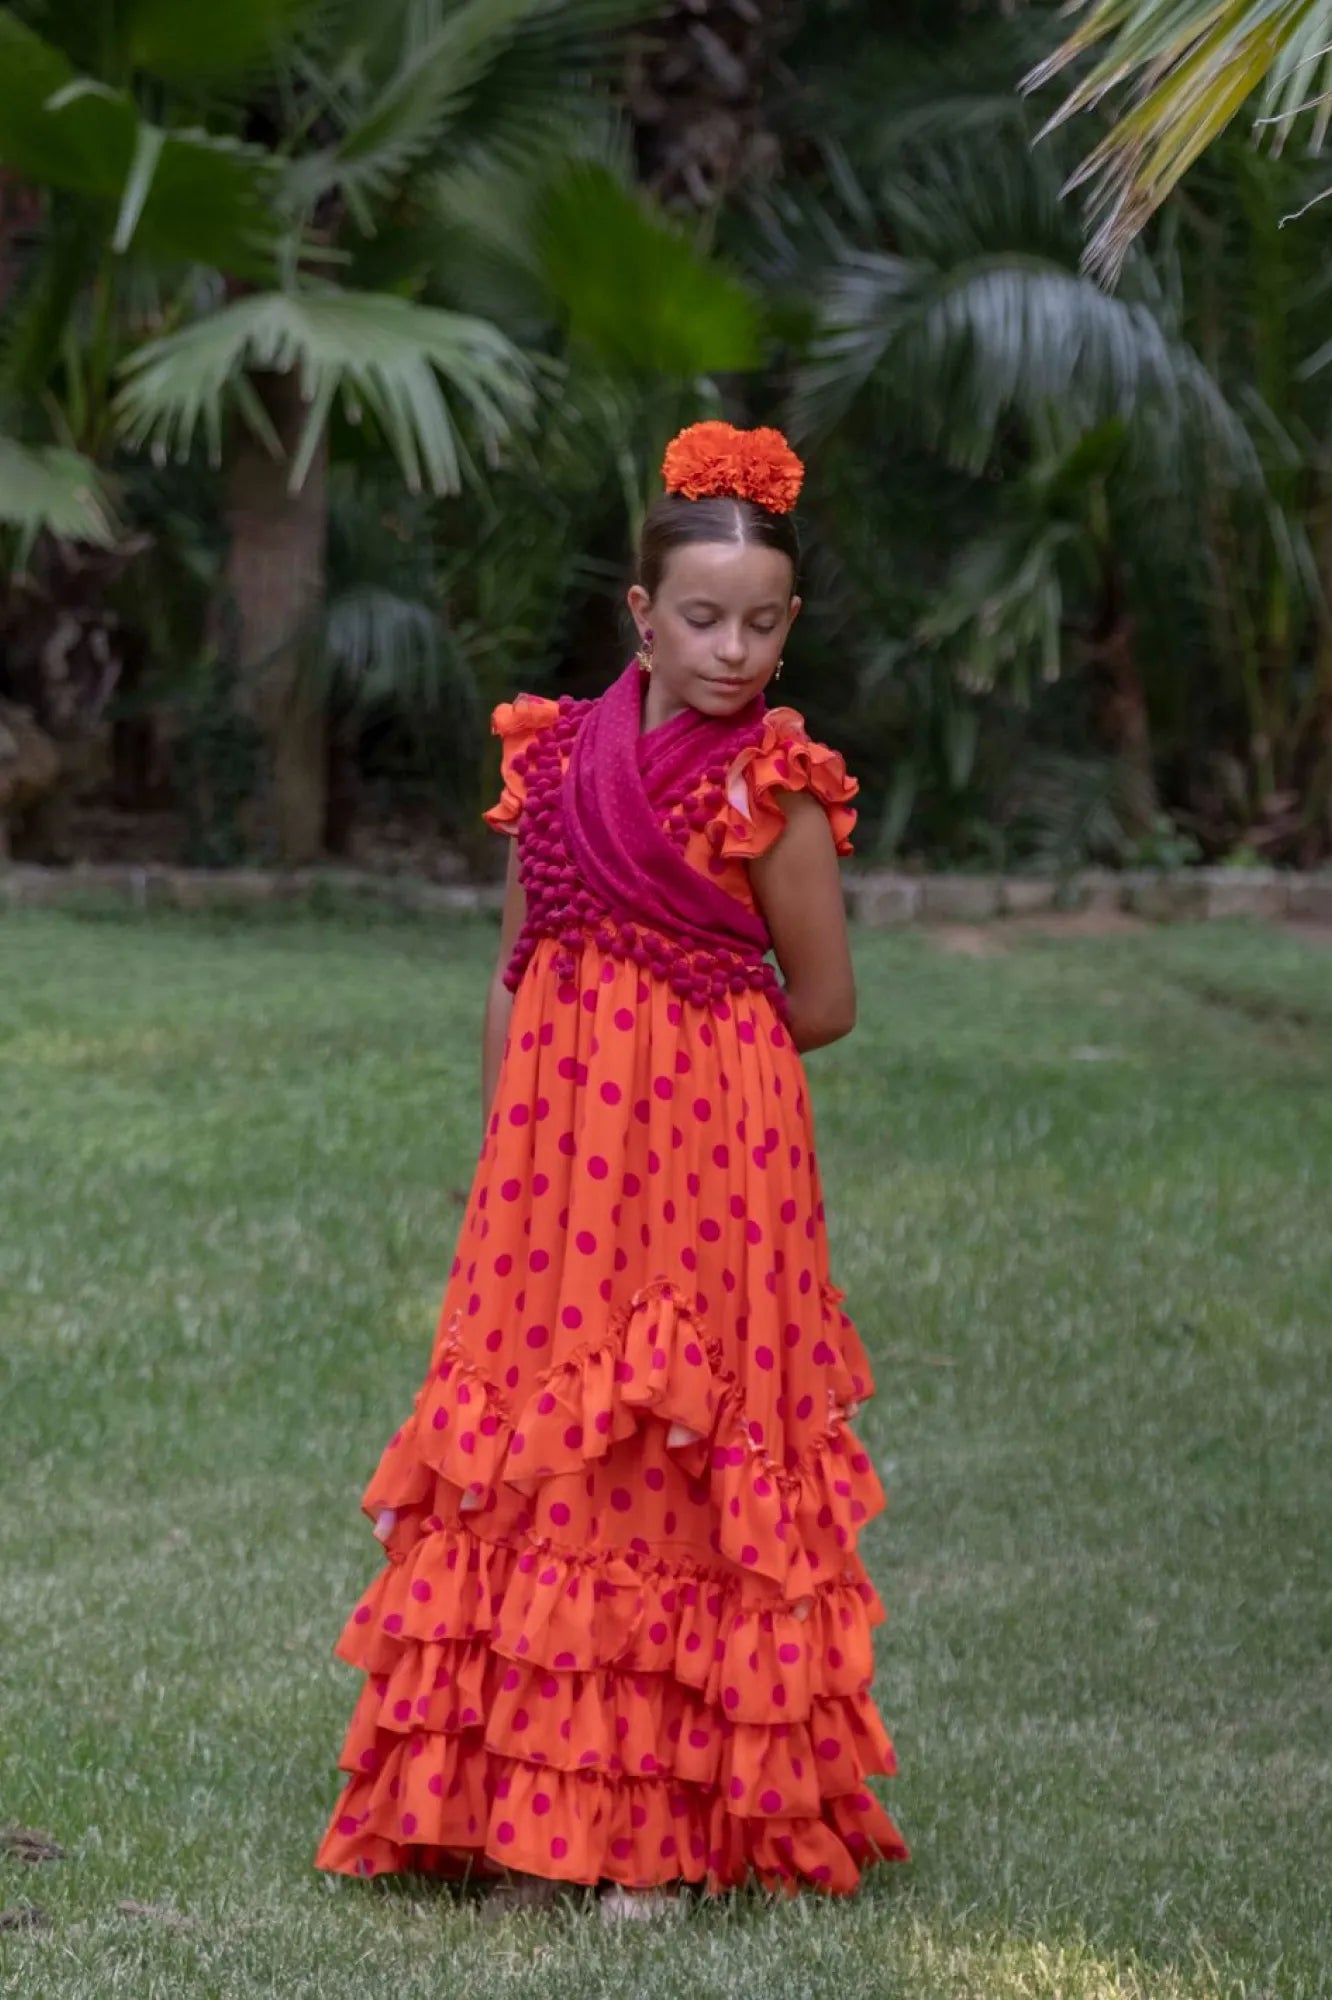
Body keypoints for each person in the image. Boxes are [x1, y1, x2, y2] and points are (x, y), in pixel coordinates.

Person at [315, 421, 908, 1914]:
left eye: (763, 623)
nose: (732, 648)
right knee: (553, 1440)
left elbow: (823, 1002)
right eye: (702, 619)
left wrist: (684, 1059)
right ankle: (533, 1798)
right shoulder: (558, 756)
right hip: (558, 1159)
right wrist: (511, 1133)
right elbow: (525, 958)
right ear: (641, 616)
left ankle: (666, 1825)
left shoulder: (772, 781)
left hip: (715, 1151)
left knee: (677, 1437)